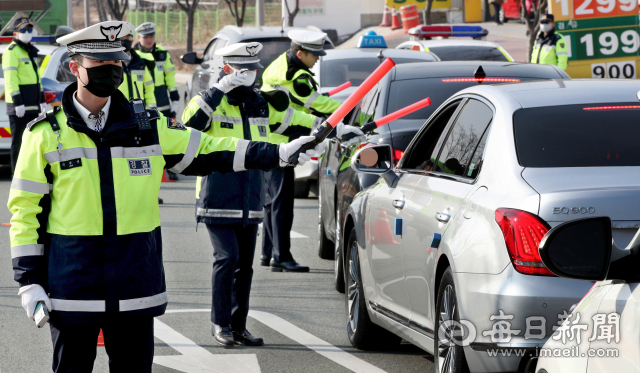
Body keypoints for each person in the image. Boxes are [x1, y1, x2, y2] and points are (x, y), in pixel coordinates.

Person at [7, 21, 319, 372]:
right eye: (101, 65)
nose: (111, 71)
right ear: (75, 66)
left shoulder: (149, 128)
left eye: (116, 63)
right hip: (73, 285)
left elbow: (213, 149)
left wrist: (277, 153)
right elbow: (24, 212)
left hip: (135, 280)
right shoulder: (45, 135)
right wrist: (28, 281)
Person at [181, 41, 359, 347]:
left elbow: (294, 122)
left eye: (253, 68)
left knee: (245, 266)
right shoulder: (211, 101)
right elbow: (188, 125)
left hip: (251, 197)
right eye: (243, 69)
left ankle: (238, 326)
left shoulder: (260, 103)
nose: (250, 74)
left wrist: (333, 129)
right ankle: (219, 324)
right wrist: (218, 89)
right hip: (217, 196)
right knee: (227, 258)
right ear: (226, 69)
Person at [260, 30, 363, 272]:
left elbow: (300, 100)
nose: (317, 59)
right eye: (314, 55)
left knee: (272, 200)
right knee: (282, 202)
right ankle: (281, 257)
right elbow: (319, 104)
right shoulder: (295, 76)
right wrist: (355, 111)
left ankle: (268, 253)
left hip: (271, 138)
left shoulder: (280, 64)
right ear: (300, 53)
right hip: (282, 141)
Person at [134, 22, 181, 180]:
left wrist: (175, 97)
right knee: (144, 136)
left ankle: (170, 167)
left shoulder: (162, 54)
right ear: (138, 37)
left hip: (161, 100)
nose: (149, 40)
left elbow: (170, 77)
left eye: (151, 36)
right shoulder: (133, 55)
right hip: (141, 100)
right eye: (145, 37)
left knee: (167, 135)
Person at [2, 17, 46, 173]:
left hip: (33, 104)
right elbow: (11, 80)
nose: (27, 33)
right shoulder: (11, 52)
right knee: (18, 142)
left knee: (32, 142)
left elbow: (37, 78)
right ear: (15, 34)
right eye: (23, 30)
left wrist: (42, 100)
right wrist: (17, 102)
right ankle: (17, 175)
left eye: (29, 29)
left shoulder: (30, 51)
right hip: (19, 107)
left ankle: (31, 172)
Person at [118, 22, 156, 108]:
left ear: (132, 40)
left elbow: (149, 89)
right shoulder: (110, 63)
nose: (125, 40)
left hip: (139, 113)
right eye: (122, 38)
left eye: (128, 37)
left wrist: (151, 110)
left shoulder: (140, 63)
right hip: (119, 114)